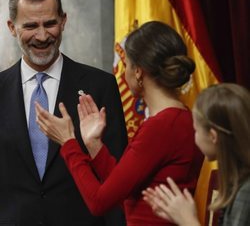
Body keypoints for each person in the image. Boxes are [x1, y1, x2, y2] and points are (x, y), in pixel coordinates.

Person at [35, 20, 204, 226]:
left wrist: (68, 142)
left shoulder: (161, 126)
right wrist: (94, 144)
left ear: (138, 72)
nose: (123, 74)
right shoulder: (180, 118)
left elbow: (99, 202)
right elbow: (124, 189)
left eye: (126, 66)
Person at [0, 0, 128, 226]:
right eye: (30, 26)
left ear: (63, 21)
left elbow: (116, 180)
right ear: (12, 27)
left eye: (50, 24)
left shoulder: (100, 86)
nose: (41, 35)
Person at [142, 83, 250, 226]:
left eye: (196, 130)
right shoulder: (236, 182)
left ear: (213, 136)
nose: (194, 136)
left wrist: (188, 220)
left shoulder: (245, 192)